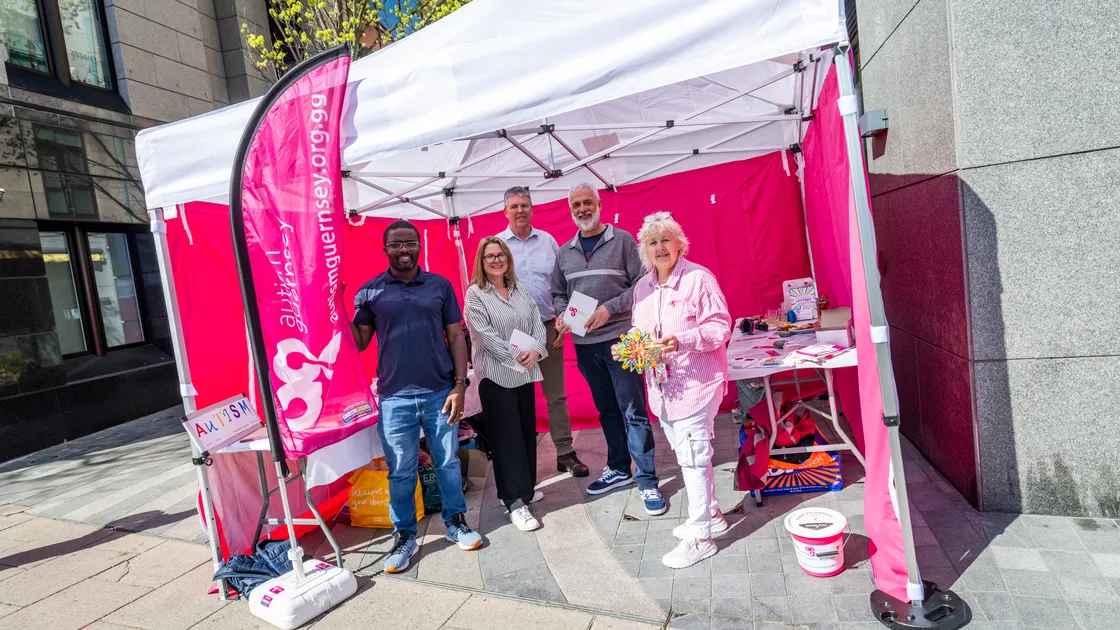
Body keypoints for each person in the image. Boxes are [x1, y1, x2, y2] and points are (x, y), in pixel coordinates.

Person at [352, 219, 483, 574]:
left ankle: (457, 523)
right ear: (385, 249)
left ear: (419, 245)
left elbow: (457, 337)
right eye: (396, 244)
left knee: (448, 463)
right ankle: (404, 536)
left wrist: (460, 385)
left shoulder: (439, 286)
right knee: (401, 472)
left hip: (441, 391)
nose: (404, 249)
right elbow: (359, 343)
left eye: (410, 243)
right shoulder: (370, 292)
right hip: (394, 397)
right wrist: (337, 309)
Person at [621, 211, 733, 568]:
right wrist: (630, 349)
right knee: (686, 452)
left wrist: (680, 341)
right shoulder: (643, 287)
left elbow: (720, 329)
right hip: (662, 390)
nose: (660, 247)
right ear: (645, 250)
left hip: (697, 384)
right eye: (652, 242)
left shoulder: (699, 279)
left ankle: (702, 537)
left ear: (679, 243)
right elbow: (642, 336)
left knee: (693, 456)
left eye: (665, 239)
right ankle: (711, 514)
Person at [551, 183, 665, 515]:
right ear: (571, 210)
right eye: (576, 205)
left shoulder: (624, 241)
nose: (583, 209)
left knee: (634, 411)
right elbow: (559, 293)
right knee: (606, 410)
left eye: (588, 202)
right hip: (586, 345)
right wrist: (563, 314)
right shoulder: (564, 252)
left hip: (622, 340)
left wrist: (609, 308)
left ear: (599, 204)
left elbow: (643, 284)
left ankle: (647, 480)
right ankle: (618, 468)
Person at [498, 186, 589, 478]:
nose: (520, 210)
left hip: (549, 328)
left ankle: (565, 453)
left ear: (533, 209)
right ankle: (523, 462)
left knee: (556, 396)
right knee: (518, 400)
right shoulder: (497, 245)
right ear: (506, 212)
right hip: (515, 334)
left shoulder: (548, 241)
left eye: (525, 205)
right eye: (514, 206)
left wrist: (567, 322)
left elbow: (563, 285)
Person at [464, 237, 550, 531]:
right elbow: (485, 336)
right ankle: (513, 501)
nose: (497, 260)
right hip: (497, 376)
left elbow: (537, 324)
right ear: (481, 261)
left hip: (524, 372)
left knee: (526, 433)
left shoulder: (519, 289)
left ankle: (525, 490)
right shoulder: (475, 295)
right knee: (506, 440)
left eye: (501, 254)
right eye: (490, 256)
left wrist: (536, 350)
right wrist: (518, 355)